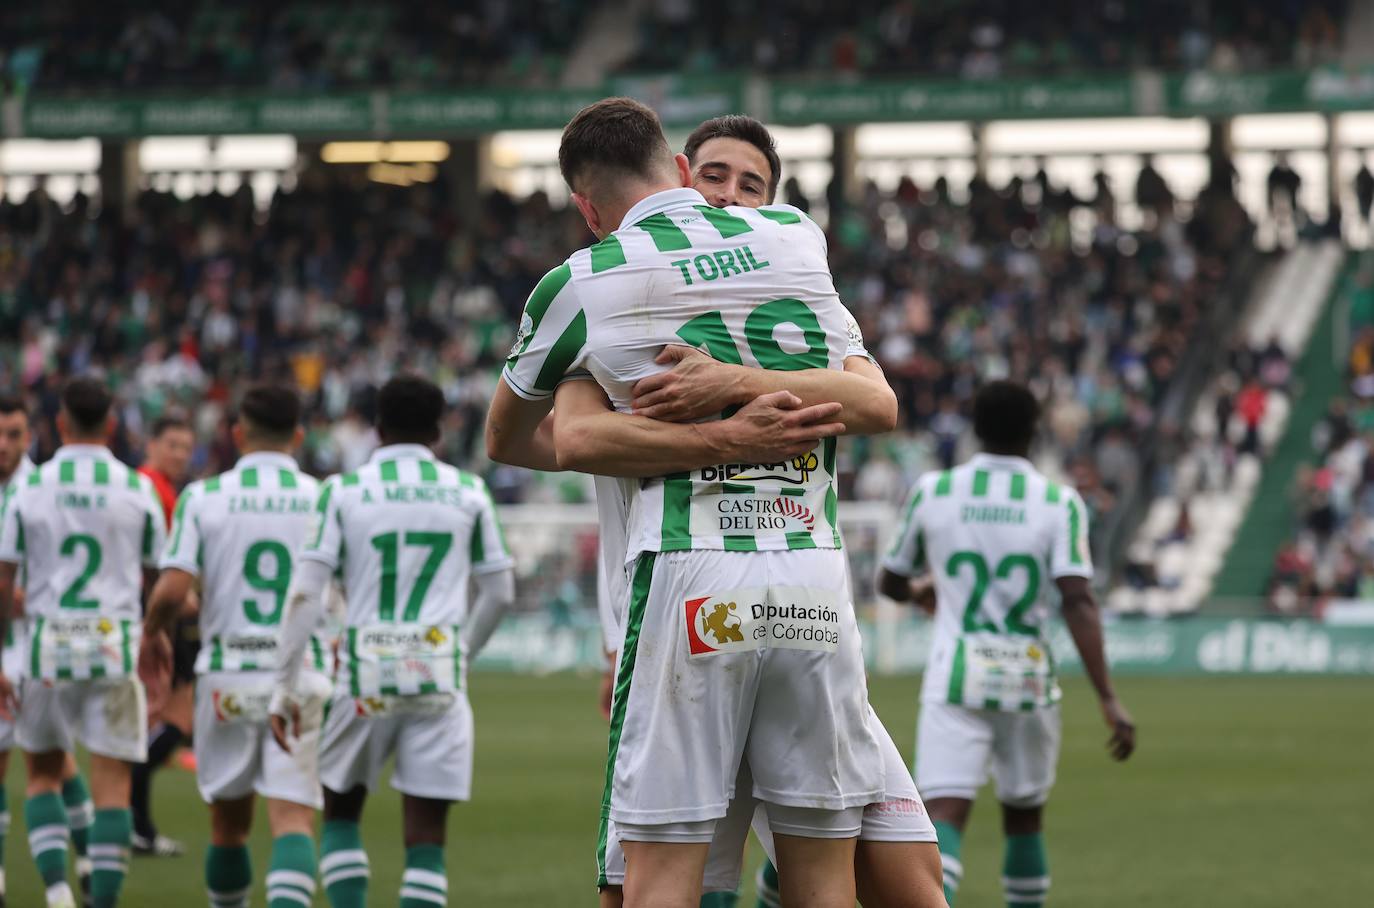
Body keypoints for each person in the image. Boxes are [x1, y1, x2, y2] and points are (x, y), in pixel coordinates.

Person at [487, 98, 887, 908]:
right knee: (823, 882)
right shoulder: (795, 236)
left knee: (660, 881)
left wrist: (652, 434)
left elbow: (511, 440)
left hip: (692, 579)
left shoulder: (581, 282)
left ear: (586, 209)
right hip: (813, 582)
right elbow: (871, 400)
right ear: (678, 170)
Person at [585, 115, 945, 908]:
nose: (730, 195)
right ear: (679, 181)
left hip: (796, 613)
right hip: (678, 614)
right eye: (714, 176)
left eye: (752, 185)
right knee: (653, 886)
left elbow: (876, 402)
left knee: (911, 876)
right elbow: (564, 438)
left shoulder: (805, 294)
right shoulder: (622, 293)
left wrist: (734, 381)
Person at [878, 381, 1136, 907]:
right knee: (1024, 817)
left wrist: (923, 592)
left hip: (956, 677)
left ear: (974, 429)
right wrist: (1108, 697)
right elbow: (1078, 600)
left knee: (943, 814)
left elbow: (890, 581)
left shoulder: (935, 491)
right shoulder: (1059, 502)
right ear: (1035, 432)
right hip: (1028, 680)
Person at [269, 375, 516, 908]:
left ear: (377, 429)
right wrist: (461, 655)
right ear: (439, 431)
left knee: (340, 814)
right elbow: (500, 592)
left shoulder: (342, 491)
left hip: (364, 675)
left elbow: (306, 594)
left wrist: (283, 686)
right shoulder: (468, 490)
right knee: (426, 838)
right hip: (438, 675)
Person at [139, 386, 329, 908]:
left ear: (238, 434)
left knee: (227, 826)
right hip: (298, 675)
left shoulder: (203, 497)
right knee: (292, 819)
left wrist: (152, 633)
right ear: (298, 436)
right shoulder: (324, 496)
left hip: (227, 675)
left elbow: (172, 591)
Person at [0, 377, 168, 908]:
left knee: (43, 775)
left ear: (59, 425)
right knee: (113, 785)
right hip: (113, 647)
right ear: (112, 426)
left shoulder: (30, 487)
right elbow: (157, 578)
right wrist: (155, 636)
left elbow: (4, 580)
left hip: (46, 647)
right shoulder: (137, 487)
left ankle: (57, 895)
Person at [0, 396, 99, 908]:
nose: (4, 445)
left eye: (14, 434)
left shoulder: (44, 489)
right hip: (5, 644)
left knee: (57, 762)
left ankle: (85, 864)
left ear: (31, 435)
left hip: (43, 644)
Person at [132, 415, 197, 858]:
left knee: (163, 718)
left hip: (155, 616)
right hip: (155, 619)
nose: (179, 454)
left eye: (185, 447)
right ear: (151, 444)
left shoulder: (161, 489)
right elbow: (160, 569)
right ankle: (132, 807)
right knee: (173, 716)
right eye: (171, 444)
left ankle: (138, 824)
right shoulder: (152, 490)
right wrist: (185, 600)